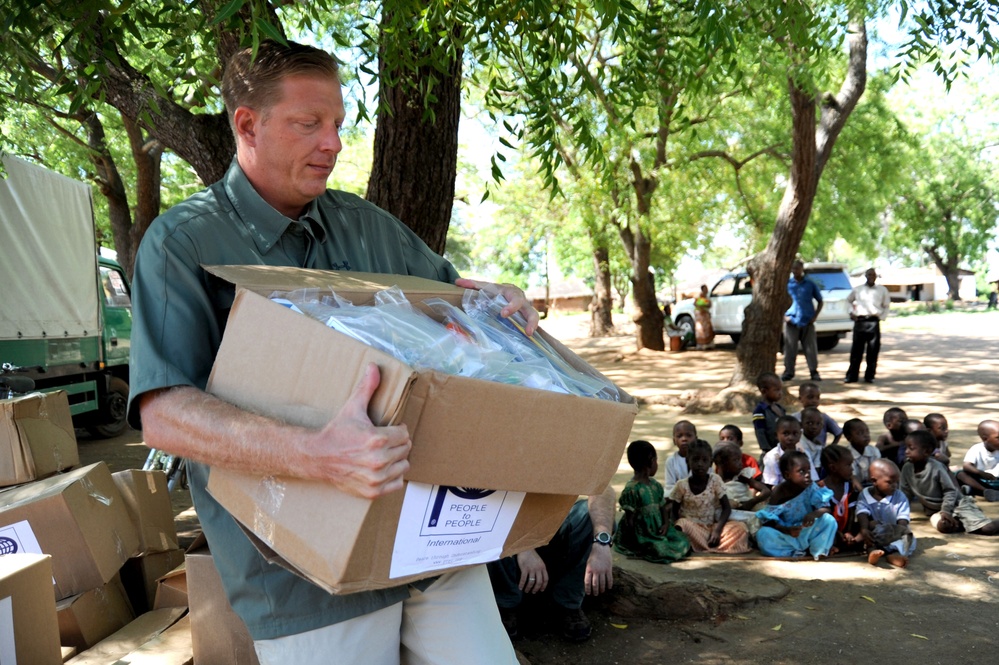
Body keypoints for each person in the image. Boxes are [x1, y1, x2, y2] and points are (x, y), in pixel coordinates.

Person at [127, 40, 541, 664]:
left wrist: (500, 301)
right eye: (308, 124)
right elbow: (164, 414)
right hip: (300, 576)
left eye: (339, 124)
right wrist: (315, 455)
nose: (333, 143)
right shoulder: (181, 244)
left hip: (424, 545)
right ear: (247, 124)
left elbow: (452, 300)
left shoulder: (369, 226)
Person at [488, 486, 617, 643]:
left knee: (590, 516)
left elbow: (602, 488)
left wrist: (601, 542)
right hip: (509, 528)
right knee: (487, 517)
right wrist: (525, 547)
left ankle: (568, 602)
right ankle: (505, 604)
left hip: (550, 527)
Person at [901, 430, 999, 536]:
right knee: (944, 526)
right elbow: (905, 493)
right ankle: (965, 522)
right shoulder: (907, 468)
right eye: (906, 448)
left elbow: (950, 491)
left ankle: (973, 521)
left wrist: (946, 511)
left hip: (958, 504)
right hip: (935, 510)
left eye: (911, 448)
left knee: (988, 529)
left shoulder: (936, 468)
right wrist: (900, 516)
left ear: (926, 451)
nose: (906, 451)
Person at [613, 440, 690, 565]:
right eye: (656, 460)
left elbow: (663, 507)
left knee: (683, 540)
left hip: (658, 529)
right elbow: (629, 521)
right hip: (641, 535)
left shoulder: (656, 486)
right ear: (650, 461)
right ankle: (649, 546)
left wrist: (665, 524)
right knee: (660, 549)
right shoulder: (632, 490)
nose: (657, 464)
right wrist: (635, 542)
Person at [668, 440, 751, 553]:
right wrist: (675, 529)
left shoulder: (715, 480)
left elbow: (726, 508)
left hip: (712, 529)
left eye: (704, 460)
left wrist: (717, 530)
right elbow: (674, 511)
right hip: (692, 529)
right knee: (682, 524)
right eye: (695, 459)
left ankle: (700, 546)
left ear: (710, 463)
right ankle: (707, 546)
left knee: (740, 528)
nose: (700, 464)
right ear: (688, 461)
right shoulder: (681, 485)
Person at [755, 451, 838, 560]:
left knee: (829, 520)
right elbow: (768, 521)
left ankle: (818, 550)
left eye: (809, 470)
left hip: (806, 530)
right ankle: (795, 552)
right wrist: (786, 530)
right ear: (787, 475)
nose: (807, 474)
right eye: (801, 471)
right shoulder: (779, 492)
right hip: (786, 534)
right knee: (763, 534)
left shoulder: (812, 487)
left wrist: (814, 514)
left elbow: (826, 508)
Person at [856, 459, 915, 568]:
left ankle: (894, 555)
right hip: (876, 533)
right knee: (869, 533)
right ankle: (872, 553)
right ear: (874, 481)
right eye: (890, 482)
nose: (895, 486)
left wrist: (898, 532)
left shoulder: (899, 496)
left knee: (907, 538)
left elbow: (903, 518)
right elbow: (862, 513)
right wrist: (864, 529)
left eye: (897, 482)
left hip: (895, 531)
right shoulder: (864, 495)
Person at [844, 268, 891, 384]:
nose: (871, 277)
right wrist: (851, 312)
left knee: (873, 350)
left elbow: (886, 305)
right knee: (856, 351)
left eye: (873, 275)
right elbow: (848, 301)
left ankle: (870, 376)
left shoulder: (882, 290)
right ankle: (852, 376)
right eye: (869, 275)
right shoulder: (858, 289)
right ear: (865, 276)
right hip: (860, 321)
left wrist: (881, 317)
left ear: (876, 277)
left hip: (873, 322)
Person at [713, 442, 770, 531]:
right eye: (736, 460)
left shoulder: (741, 476)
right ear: (721, 463)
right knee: (719, 514)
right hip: (732, 512)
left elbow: (766, 491)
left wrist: (751, 502)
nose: (741, 464)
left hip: (750, 506)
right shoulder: (714, 482)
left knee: (766, 511)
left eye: (740, 459)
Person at [783, 259, 824, 382]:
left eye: (798, 268)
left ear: (802, 269)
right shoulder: (787, 285)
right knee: (790, 349)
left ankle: (814, 371)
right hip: (791, 321)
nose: (796, 271)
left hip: (807, 321)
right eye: (794, 268)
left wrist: (815, 316)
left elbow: (820, 301)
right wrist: (784, 317)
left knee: (810, 348)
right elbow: (779, 302)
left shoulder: (810, 284)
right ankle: (788, 372)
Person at [819, 444, 862, 551]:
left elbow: (851, 513)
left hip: (846, 530)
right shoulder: (820, 489)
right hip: (828, 531)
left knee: (866, 530)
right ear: (833, 468)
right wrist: (837, 532)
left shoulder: (850, 487)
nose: (852, 469)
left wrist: (848, 531)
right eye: (848, 465)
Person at [762, 416, 817, 487]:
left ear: (800, 434)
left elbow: (813, 478)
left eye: (795, 433)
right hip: (781, 493)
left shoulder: (804, 453)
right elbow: (770, 483)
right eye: (786, 433)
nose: (791, 438)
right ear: (776, 435)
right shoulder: (772, 456)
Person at [956, 420, 999, 502]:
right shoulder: (977, 449)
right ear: (985, 438)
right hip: (982, 480)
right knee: (960, 474)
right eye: (998, 438)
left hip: (997, 481)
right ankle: (985, 491)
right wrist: (981, 473)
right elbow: (967, 466)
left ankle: (973, 490)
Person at [793, 381, 842, 446]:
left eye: (817, 398)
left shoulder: (824, 417)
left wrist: (831, 447)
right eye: (810, 397)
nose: (814, 401)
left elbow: (838, 432)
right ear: (800, 399)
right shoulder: (794, 418)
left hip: (819, 453)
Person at [752, 372, 786, 462]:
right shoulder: (760, 411)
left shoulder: (780, 408)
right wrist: (767, 449)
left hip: (783, 449)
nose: (780, 393)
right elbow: (760, 432)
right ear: (764, 391)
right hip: (770, 452)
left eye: (780, 390)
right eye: (776, 390)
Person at [843, 418, 881, 488]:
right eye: (860, 433)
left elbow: (877, 472)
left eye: (867, 432)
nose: (866, 435)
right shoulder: (846, 454)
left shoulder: (874, 451)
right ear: (849, 438)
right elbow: (852, 476)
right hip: (853, 487)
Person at [664, 421, 698, 494]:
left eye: (689, 435)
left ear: (696, 438)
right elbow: (669, 486)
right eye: (679, 436)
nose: (684, 439)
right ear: (674, 440)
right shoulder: (671, 461)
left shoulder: (702, 459)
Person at [796, 407, 826, 479]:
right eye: (810, 423)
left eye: (818, 424)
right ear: (801, 425)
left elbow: (817, 467)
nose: (814, 427)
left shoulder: (818, 445)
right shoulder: (799, 444)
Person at [693, 284, 715, 350]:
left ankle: (708, 344)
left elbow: (709, 305)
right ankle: (701, 344)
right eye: (705, 288)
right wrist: (701, 308)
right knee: (700, 329)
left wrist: (705, 308)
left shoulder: (707, 297)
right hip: (700, 314)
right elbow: (695, 304)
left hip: (705, 314)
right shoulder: (699, 297)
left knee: (707, 329)